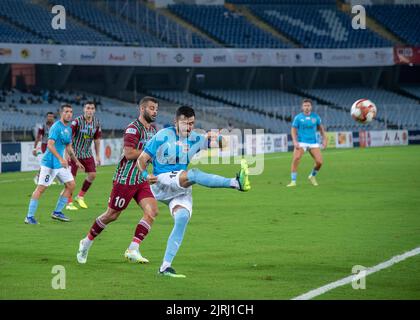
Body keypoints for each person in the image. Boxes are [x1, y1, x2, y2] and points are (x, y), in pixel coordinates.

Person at [136, 106, 251, 278]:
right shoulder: (162, 136)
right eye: (185, 123)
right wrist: (146, 174)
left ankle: (165, 267)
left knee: (182, 218)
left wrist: (217, 137)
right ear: (176, 122)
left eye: (191, 123)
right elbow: (141, 159)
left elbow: (223, 144)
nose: (188, 127)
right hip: (161, 181)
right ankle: (236, 183)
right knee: (195, 174)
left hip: (179, 187)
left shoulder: (196, 137)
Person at [76, 97, 159, 264]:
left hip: (141, 179)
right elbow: (129, 153)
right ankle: (86, 242)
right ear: (142, 109)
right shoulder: (132, 129)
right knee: (112, 215)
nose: (155, 111)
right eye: (151, 108)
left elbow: (152, 156)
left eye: (156, 108)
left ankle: (133, 249)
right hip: (125, 180)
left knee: (152, 212)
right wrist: (151, 153)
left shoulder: (153, 131)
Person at [24, 104, 84, 225]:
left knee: (71, 185)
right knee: (41, 189)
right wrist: (61, 159)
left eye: (71, 112)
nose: (69, 114)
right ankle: (29, 217)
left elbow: (68, 146)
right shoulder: (56, 127)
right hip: (50, 164)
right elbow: (50, 145)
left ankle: (57, 212)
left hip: (60, 164)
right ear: (61, 113)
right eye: (66, 111)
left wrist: (76, 161)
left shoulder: (68, 129)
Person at [66, 101, 102, 210]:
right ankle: (69, 202)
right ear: (84, 109)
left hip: (87, 153)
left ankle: (80, 196)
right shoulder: (76, 122)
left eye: (92, 108)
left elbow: (97, 140)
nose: (90, 110)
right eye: (88, 108)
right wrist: (67, 153)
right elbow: (68, 138)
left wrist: (98, 155)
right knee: (71, 179)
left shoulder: (96, 123)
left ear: (94, 110)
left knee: (93, 174)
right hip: (74, 153)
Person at [287, 99, 327, 187]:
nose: (307, 107)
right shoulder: (298, 118)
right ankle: (293, 181)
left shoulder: (316, 117)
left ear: (311, 107)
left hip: (313, 143)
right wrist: (294, 141)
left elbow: (321, 129)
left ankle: (312, 176)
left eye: (308, 105)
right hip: (301, 142)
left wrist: (324, 139)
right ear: (302, 107)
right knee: (296, 158)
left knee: (319, 162)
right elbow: (293, 130)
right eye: (305, 106)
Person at [32, 112, 56, 184]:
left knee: (51, 164)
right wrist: (34, 148)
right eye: (49, 116)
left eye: (51, 117)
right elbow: (38, 137)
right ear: (47, 117)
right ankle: (37, 177)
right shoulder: (42, 126)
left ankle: (47, 178)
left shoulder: (56, 126)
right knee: (46, 163)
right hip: (45, 145)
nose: (50, 118)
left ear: (53, 118)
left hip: (54, 146)